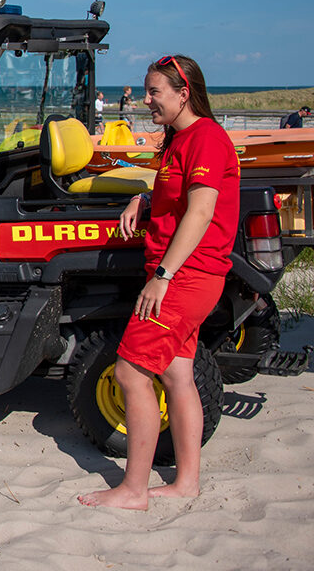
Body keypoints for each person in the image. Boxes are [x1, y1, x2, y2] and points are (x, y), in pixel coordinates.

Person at [78, 54, 239, 511]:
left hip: (185, 276)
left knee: (130, 372)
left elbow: (203, 211)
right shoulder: (180, 140)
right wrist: (142, 198)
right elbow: (176, 191)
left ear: (184, 92)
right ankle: (187, 482)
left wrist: (163, 277)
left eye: (154, 92)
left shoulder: (206, 137)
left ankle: (133, 490)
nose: (145, 100)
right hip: (191, 275)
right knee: (177, 373)